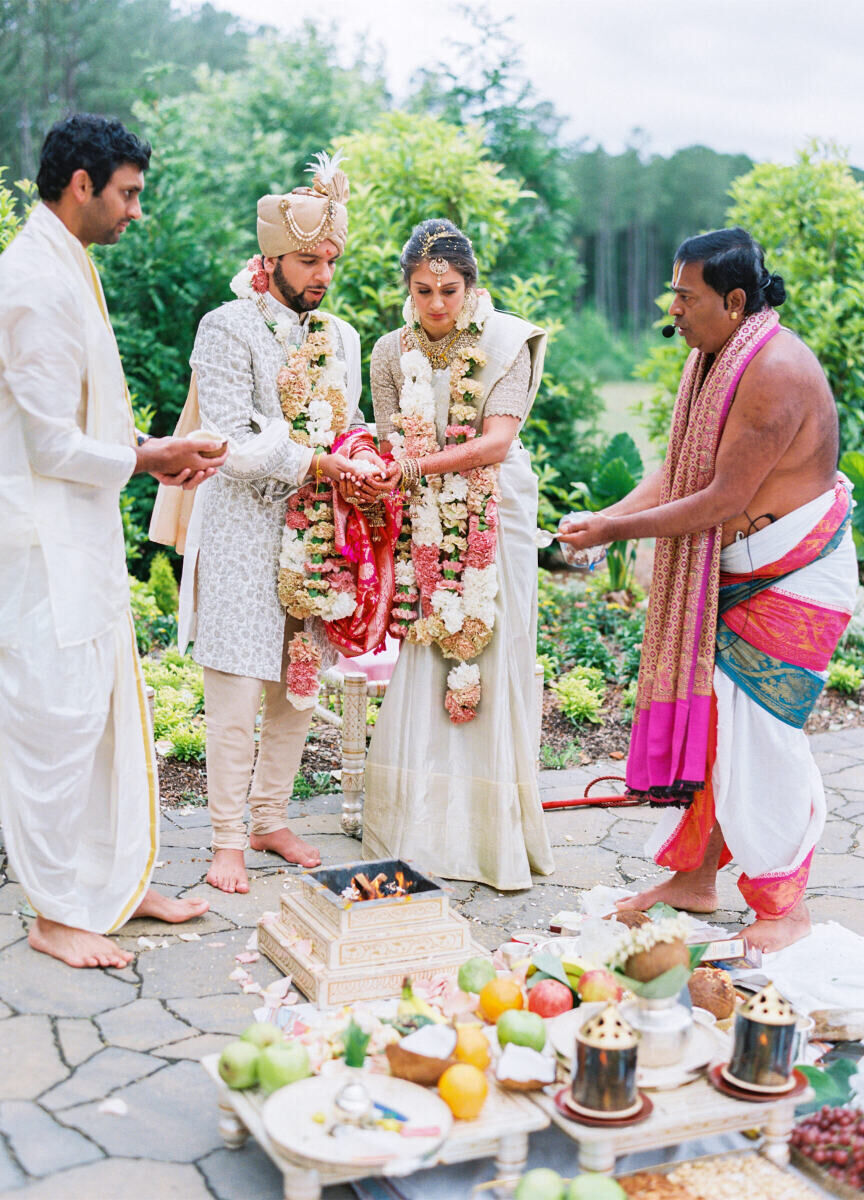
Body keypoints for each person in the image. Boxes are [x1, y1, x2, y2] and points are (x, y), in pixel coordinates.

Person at [559, 227, 858, 952]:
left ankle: (786, 906)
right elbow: (678, 475)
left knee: (759, 737)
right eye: (673, 292)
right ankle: (694, 878)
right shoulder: (715, 358)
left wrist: (616, 536)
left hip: (793, 581)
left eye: (686, 296)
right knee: (718, 729)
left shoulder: (775, 370)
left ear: (732, 300)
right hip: (741, 575)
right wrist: (608, 516)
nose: (675, 308)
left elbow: (721, 499)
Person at [0, 113, 226, 969]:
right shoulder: (33, 279)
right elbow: (51, 444)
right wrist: (151, 457)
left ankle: (111, 890)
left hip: (76, 540)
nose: (136, 211)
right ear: (82, 183)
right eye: (128, 193)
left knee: (98, 718)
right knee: (51, 725)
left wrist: (153, 463)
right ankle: (55, 912)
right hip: (37, 550)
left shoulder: (70, 263)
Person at [172, 153, 384, 895]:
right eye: (307, 258)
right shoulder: (225, 327)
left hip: (318, 536)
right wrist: (315, 460)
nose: (323, 272)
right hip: (240, 533)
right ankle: (226, 838)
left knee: (298, 685)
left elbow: (349, 424)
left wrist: (364, 461)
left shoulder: (344, 337)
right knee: (234, 689)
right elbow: (228, 439)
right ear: (270, 257)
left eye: (331, 258)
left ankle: (269, 818)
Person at [358, 219, 555, 891]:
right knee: (426, 644)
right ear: (407, 289)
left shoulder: (505, 343)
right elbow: (391, 439)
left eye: (448, 290)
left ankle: (488, 834)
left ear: (471, 286)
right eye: (422, 291)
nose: (436, 305)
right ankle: (418, 827)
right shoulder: (390, 353)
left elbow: (497, 443)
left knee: (492, 648)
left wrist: (418, 467)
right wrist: (384, 468)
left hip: (494, 513)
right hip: (421, 516)